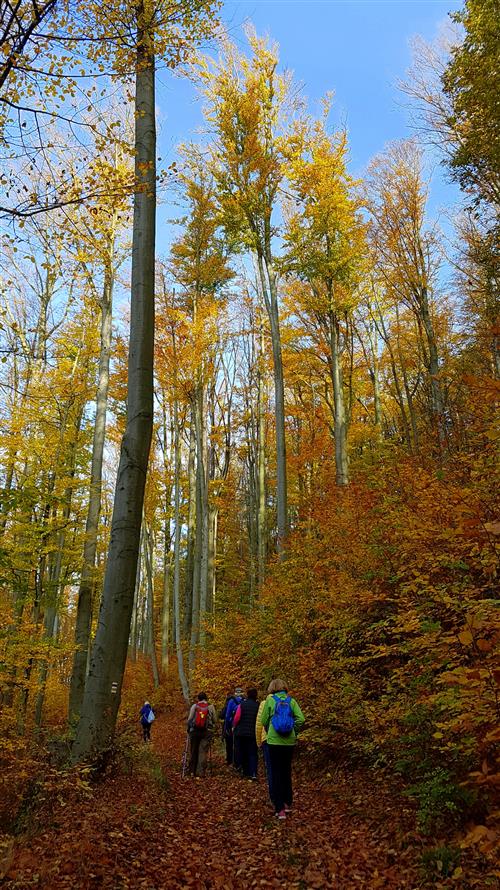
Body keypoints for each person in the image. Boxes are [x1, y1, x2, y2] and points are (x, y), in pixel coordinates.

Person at [260, 679, 305, 819]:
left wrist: (270, 729)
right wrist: (294, 731)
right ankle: (287, 802)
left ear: (272, 688)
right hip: (289, 742)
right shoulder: (291, 701)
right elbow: (301, 719)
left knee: (276, 773)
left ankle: (279, 809)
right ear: (285, 687)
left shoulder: (271, 701)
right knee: (286, 772)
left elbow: (263, 720)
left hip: (273, 741)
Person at [187, 692, 217, 778]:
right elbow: (215, 720)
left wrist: (189, 728)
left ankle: (192, 771)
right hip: (206, 732)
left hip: (194, 731)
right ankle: (201, 772)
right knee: (203, 751)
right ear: (206, 698)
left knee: (193, 750)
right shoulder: (210, 707)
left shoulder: (195, 706)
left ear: (198, 699)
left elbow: (190, 719)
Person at [233, 687, 259, 779]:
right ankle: (253, 773)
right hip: (253, 732)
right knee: (253, 753)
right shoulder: (258, 705)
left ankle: (245, 772)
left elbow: (237, 718)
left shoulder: (242, 704)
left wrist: (234, 726)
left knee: (243, 751)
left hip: (241, 732)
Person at [219, 686, 244, 767]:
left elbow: (227, 715)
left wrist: (226, 727)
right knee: (239, 745)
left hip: (231, 726)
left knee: (229, 744)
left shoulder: (231, 701)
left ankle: (230, 761)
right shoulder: (244, 701)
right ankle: (239, 762)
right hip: (241, 727)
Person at [256, 695, 273, 803]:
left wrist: (258, 742)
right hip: (286, 741)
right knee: (284, 770)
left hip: (267, 739)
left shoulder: (264, 703)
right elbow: (300, 719)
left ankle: (274, 798)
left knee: (271, 770)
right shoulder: (290, 701)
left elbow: (259, 724)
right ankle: (286, 800)